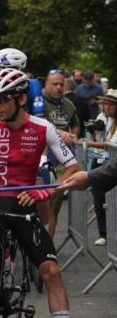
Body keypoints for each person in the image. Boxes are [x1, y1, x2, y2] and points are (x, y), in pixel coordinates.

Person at [0, 68, 80, 317]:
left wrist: (46, 191)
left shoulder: (44, 128)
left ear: (22, 99)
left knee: (51, 271)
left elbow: (74, 168)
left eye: (3, 99)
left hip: (23, 204)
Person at [83, 89, 117, 245]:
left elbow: (112, 144)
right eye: (105, 104)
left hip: (113, 163)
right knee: (98, 197)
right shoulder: (102, 117)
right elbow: (96, 135)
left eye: (111, 104)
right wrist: (92, 130)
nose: (107, 107)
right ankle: (103, 233)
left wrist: (91, 143)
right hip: (99, 160)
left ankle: (113, 231)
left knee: (113, 199)